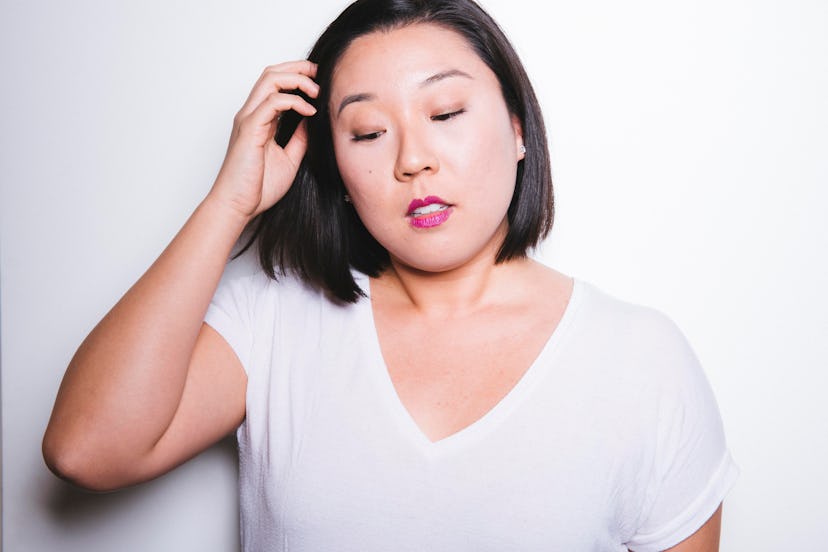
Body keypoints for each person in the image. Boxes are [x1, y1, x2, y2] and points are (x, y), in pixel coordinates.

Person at [42, 0, 738, 550]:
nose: (413, 160)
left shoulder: (640, 361)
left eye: (445, 113)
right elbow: (85, 450)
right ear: (337, 173)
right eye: (369, 132)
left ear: (520, 129)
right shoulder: (275, 320)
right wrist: (230, 202)